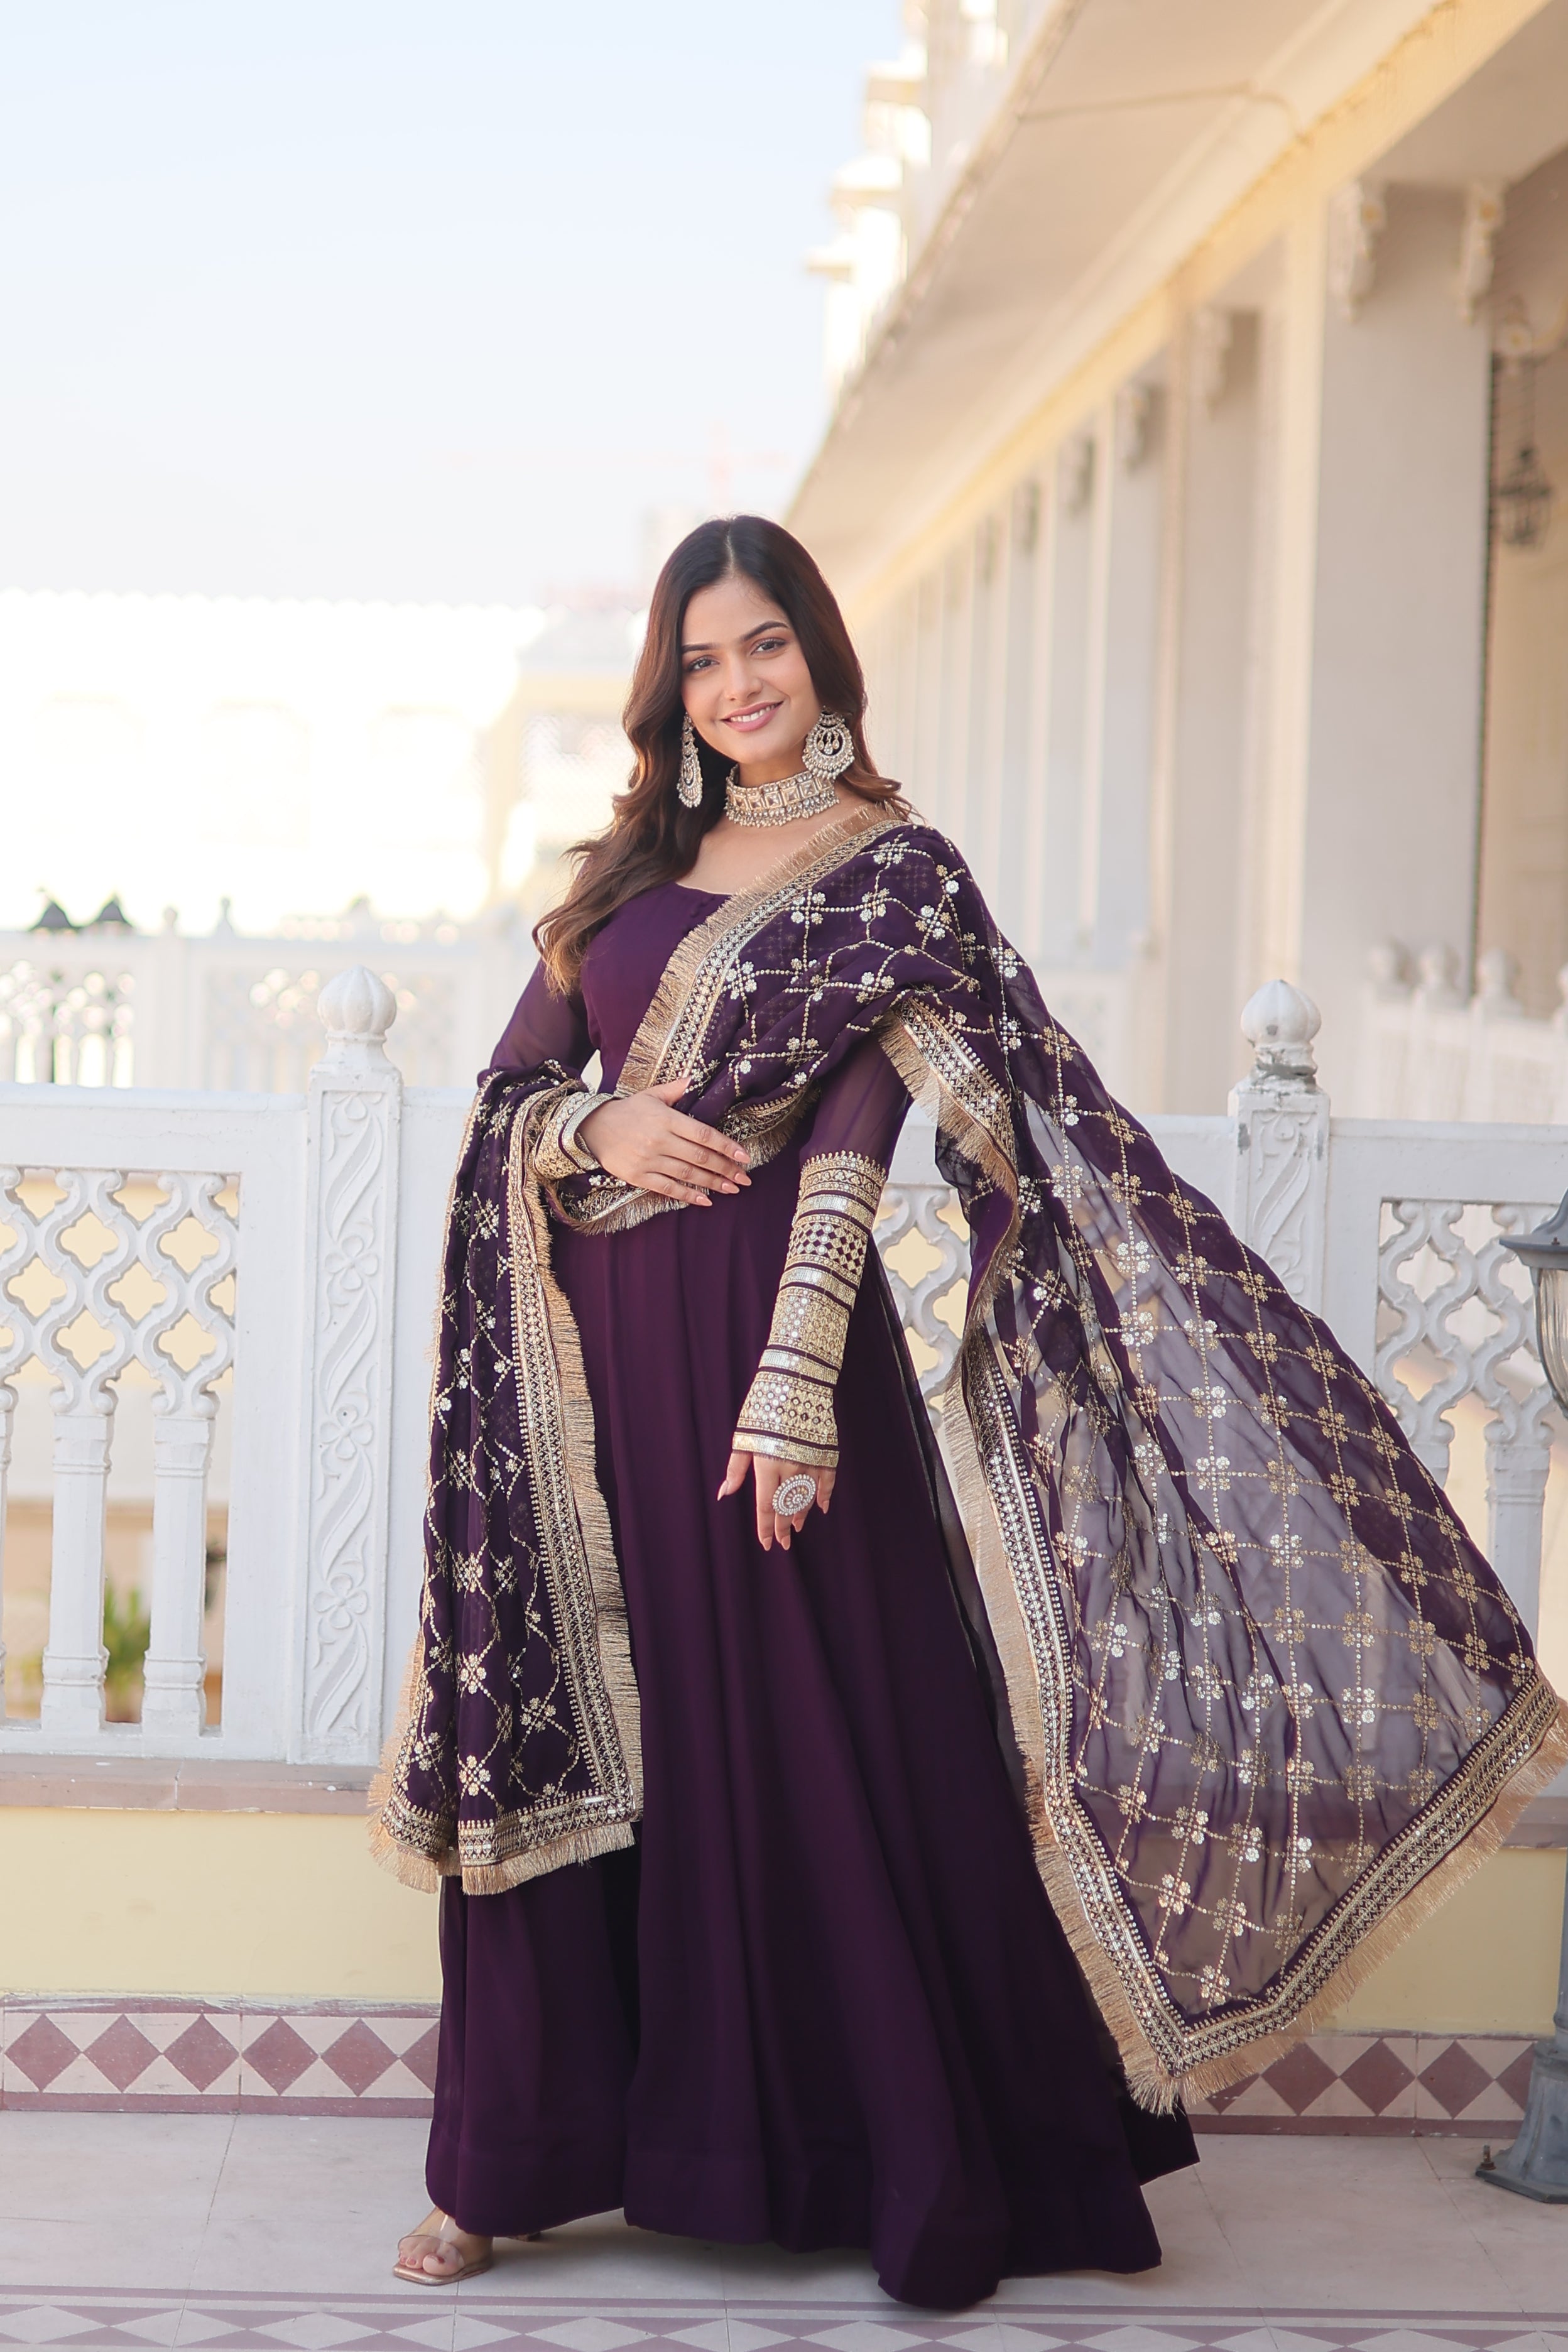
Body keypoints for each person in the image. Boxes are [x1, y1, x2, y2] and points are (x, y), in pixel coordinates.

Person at [374, 517, 1566, 2309]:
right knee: (609, 1738)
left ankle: (889, 2151)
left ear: (822, 655)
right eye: (700, 661)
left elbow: (861, 1140)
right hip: (587, 1375)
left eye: (762, 645)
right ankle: (514, 2162)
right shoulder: (623, 875)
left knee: (823, 1737)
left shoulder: (893, 871)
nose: (737, 685)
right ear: (668, 689)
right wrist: (591, 1129)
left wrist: (794, 1385)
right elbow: (503, 1105)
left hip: (776, 1354)